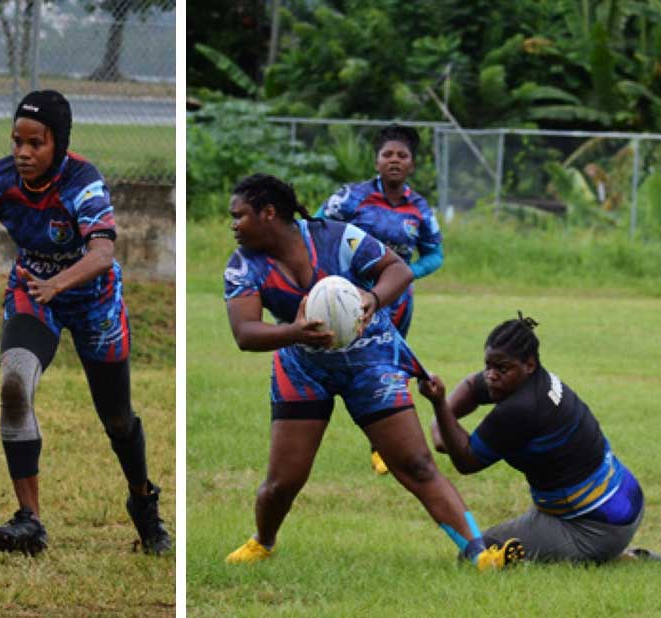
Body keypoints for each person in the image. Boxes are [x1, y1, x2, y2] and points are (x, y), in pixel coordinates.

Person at [0, 90, 171, 556]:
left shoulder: (83, 183)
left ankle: (143, 502)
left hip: (94, 304)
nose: (23, 153)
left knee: (118, 420)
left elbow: (103, 254)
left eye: (36, 144)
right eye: (16, 142)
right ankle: (30, 521)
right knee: (14, 388)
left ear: (59, 145)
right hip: (32, 293)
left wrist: (60, 284)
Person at [222, 173, 521, 570]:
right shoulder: (244, 265)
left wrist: (372, 297)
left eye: (238, 216)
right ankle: (264, 541)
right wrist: (295, 332)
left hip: (371, 360)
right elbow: (245, 333)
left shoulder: (336, 237)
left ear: (268, 213)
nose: (233, 225)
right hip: (303, 368)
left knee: (415, 465)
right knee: (283, 483)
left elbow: (398, 269)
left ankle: (478, 553)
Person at [420, 314, 656, 563]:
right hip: (623, 500)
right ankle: (607, 554)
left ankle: (610, 557)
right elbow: (471, 386)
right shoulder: (536, 381)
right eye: (488, 366)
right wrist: (443, 420)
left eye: (501, 368)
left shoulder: (522, 409)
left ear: (529, 365)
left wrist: (439, 406)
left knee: (478, 555)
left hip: (590, 527)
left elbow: (466, 460)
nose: (490, 375)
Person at [316, 124, 443, 476]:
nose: (394, 160)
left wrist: (402, 274)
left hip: (398, 303)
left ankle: (381, 449)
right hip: (350, 300)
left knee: (386, 368)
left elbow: (435, 254)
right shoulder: (351, 198)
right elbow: (316, 229)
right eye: (388, 154)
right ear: (377, 160)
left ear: (412, 164)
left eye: (402, 155)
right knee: (345, 366)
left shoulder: (420, 208)